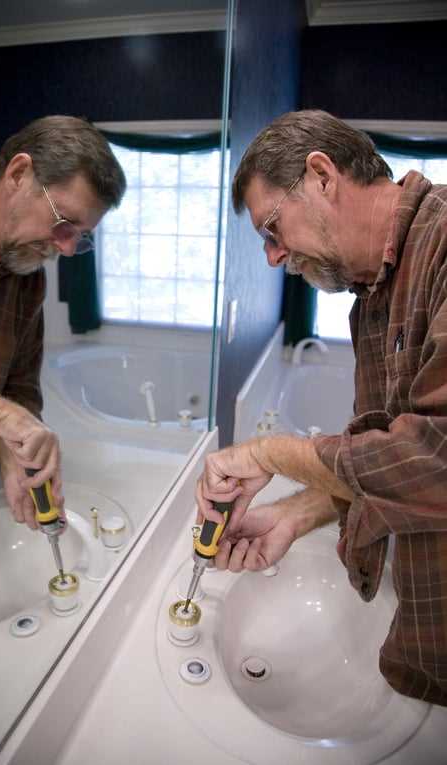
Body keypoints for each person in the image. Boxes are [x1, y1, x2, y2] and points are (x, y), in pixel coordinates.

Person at [196, 109, 447, 706]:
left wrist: (270, 453)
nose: (272, 257)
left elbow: (438, 457)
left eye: (272, 228)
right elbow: (393, 464)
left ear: (322, 176)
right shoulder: (373, 299)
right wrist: (296, 515)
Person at [0, 115, 126, 565]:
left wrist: (12, 458)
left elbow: (18, 389)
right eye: (65, 223)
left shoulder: (25, 280)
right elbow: (1, 406)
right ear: (19, 174)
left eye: (79, 239)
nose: (64, 248)